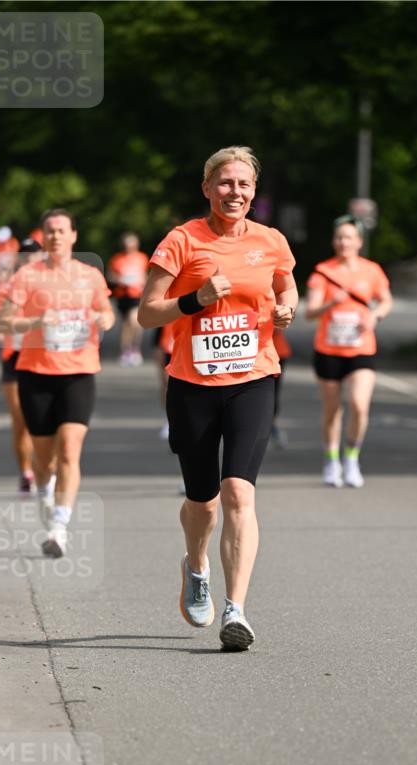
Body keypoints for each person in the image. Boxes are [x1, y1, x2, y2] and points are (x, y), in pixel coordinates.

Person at [138, 146, 297, 650]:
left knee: (239, 493)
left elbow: (287, 287)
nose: (235, 193)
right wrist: (196, 299)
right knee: (202, 502)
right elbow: (147, 314)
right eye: (225, 183)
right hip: (193, 385)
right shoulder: (182, 241)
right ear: (206, 188)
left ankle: (237, 610)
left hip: (253, 377)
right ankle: (197, 565)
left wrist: (287, 310)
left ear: (255, 191)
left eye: (244, 185)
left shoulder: (271, 241)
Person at [0, 209, 114, 556]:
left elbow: (107, 312)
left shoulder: (90, 275)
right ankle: (44, 489)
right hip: (36, 374)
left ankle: (59, 528)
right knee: (44, 460)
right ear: (43, 236)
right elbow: (4, 323)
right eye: (50, 231)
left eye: (62, 231)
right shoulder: (27, 276)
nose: (56, 236)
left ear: (73, 236)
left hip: (79, 372)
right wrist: (35, 320)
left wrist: (101, 318)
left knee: (70, 450)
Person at [305, 215, 392, 487]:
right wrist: (331, 303)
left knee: (358, 404)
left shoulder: (372, 270)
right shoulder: (322, 271)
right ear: (334, 241)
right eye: (340, 237)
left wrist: (375, 316)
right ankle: (332, 461)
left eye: (349, 237)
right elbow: (309, 312)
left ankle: (351, 458)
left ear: (359, 242)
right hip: (328, 350)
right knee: (332, 410)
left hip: (361, 349)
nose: (344, 242)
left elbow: (386, 301)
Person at [0, 238, 44, 494]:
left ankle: (43, 469)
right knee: (21, 419)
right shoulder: (9, 288)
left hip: (45, 359)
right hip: (15, 359)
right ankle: (26, 472)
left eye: (35, 254)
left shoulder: (52, 286)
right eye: (26, 254)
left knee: (42, 421)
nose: (30, 258)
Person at [108, 233, 149, 366]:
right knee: (126, 324)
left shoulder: (142, 258)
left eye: (131, 244)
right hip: (123, 295)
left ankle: (135, 348)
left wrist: (142, 281)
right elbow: (110, 276)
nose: (129, 247)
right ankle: (126, 351)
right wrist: (121, 280)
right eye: (127, 244)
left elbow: (146, 275)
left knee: (135, 320)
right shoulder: (117, 259)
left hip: (137, 294)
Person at [271, 327, 291, 448]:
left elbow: (280, 324)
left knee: (272, 393)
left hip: (276, 351)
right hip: (242, 355)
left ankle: (272, 425)